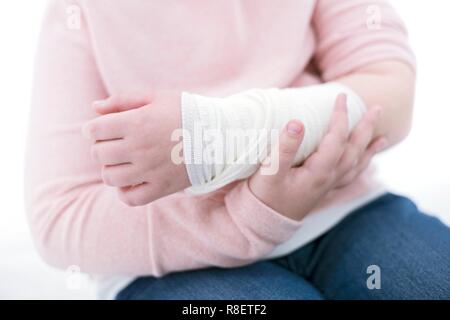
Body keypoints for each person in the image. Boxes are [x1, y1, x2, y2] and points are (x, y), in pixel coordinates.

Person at [25, 0, 450, 300]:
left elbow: (392, 98)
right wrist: (247, 215)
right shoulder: (79, 11)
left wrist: (215, 136)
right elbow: (59, 216)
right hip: (176, 264)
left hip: (339, 214)